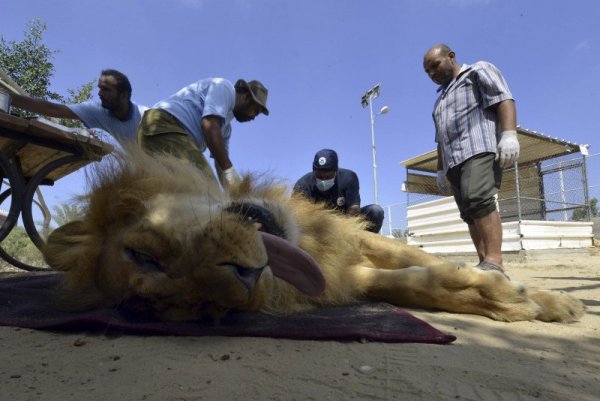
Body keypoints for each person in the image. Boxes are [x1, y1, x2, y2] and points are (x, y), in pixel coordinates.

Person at [423, 43, 519, 274]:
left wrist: (509, 134)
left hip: (477, 148)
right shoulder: (439, 103)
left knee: (479, 198)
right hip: (453, 161)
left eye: (435, 66)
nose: (433, 74)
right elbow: (440, 140)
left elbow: (504, 99)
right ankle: (484, 261)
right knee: (468, 210)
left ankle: (495, 261)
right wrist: (440, 169)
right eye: (428, 73)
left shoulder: (477, 71)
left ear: (451, 57)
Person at [136, 78, 269, 188]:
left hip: (158, 135)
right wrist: (230, 170)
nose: (253, 117)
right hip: (162, 125)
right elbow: (209, 126)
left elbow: (221, 163)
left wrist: (236, 192)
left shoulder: (226, 129)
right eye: (255, 111)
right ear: (246, 97)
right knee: (207, 188)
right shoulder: (224, 88)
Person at [5, 69, 147, 145]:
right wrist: (6, 97)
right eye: (100, 88)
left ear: (124, 94)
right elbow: (53, 109)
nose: (99, 94)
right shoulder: (99, 111)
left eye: (106, 89)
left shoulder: (146, 116)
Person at [293, 148, 385, 233]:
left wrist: (343, 230)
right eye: (320, 177)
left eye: (328, 177)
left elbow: (354, 208)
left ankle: (367, 247)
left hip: (346, 224)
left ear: (336, 171)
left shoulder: (349, 177)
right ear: (314, 172)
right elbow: (296, 216)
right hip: (317, 228)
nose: (324, 180)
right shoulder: (302, 185)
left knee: (376, 211)